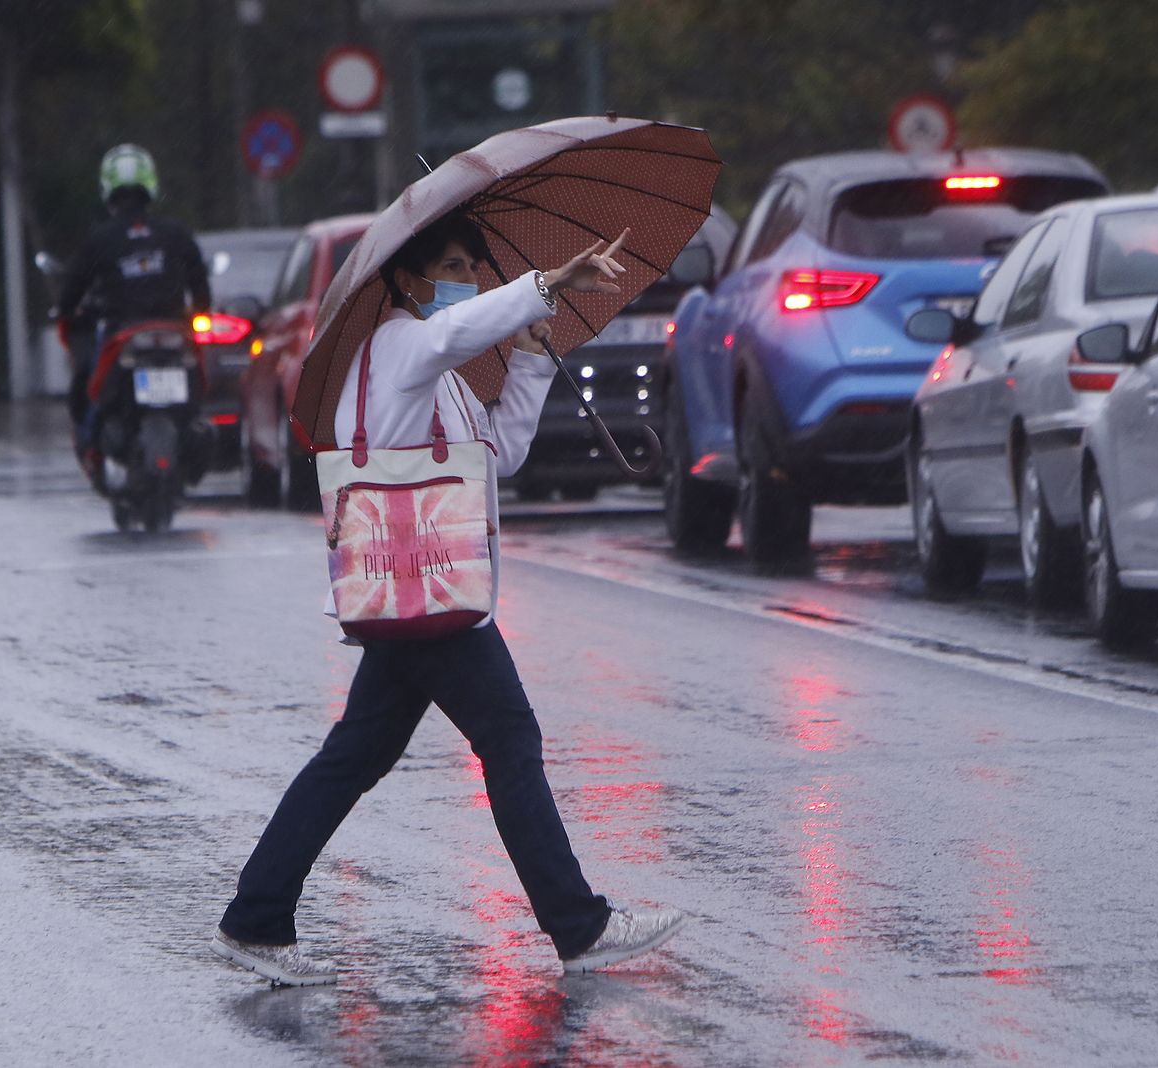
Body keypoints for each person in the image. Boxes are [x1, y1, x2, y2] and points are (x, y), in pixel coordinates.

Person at [211, 213, 686, 986]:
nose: (464, 280)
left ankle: (256, 916)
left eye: (473, 266)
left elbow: (499, 457)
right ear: (404, 279)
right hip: (431, 586)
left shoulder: (439, 378)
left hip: (416, 592)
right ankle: (580, 926)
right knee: (509, 738)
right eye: (451, 266)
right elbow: (450, 332)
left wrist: (531, 362)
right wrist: (543, 288)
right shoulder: (402, 347)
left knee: (355, 754)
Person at [56, 144, 211, 473]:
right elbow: (199, 281)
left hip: (122, 332)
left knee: (87, 388)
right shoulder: (174, 233)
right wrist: (200, 311)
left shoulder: (100, 238)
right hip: (173, 330)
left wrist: (65, 310)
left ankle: (90, 448)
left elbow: (74, 286)